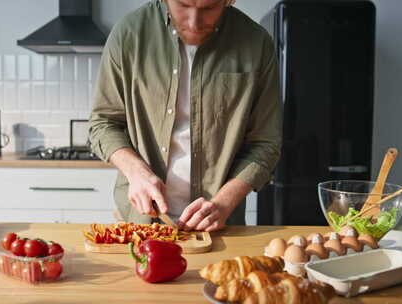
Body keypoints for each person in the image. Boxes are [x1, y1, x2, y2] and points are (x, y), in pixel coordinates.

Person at [89, 0, 281, 232]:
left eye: (209, 9)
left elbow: (265, 143)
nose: (194, 22)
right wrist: (136, 172)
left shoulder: (256, 43)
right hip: (138, 222)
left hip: (217, 223)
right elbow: (103, 123)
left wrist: (224, 202)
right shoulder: (129, 34)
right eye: (182, 4)